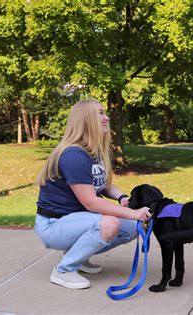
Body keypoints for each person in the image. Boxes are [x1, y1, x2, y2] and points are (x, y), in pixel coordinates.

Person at [34, 99, 151, 289]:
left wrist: (122, 198)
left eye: (105, 113)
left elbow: (103, 185)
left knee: (133, 228)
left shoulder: (93, 152)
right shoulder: (73, 155)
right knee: (110, 223)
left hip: (77, 220)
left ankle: (79, 256)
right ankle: (64, 270)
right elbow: (91, 202)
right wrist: (134, 213)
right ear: (85, 120)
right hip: (53, 225)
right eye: (100, 113)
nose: (106, 118)